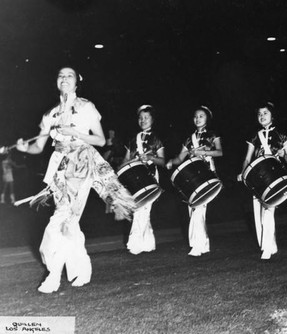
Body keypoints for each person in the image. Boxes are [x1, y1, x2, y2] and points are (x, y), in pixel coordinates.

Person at [16, 67, 135, 293]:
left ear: (77, 81)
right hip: (59, 167)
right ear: (56, 81)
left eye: (69, 75)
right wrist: (25, 148)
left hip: (82, 163)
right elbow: (38, 146)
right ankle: (82, 269)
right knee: (69, 221)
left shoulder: (86, 107)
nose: (64, 79)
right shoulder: (50, 114)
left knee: (61, 219)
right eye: (60, 75)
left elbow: (100, 140)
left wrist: (77, 134)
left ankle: (53, 276)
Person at [239, 102, 287, 260]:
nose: (262, 116)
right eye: (259, 114)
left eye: (265, 113)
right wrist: (243, 173)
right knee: (259, 213)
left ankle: (267, 248)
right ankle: (270, 245)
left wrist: (284, 156)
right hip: (258, 178)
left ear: (272, 115)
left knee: (268, 211)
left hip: (275, 178)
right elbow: (248, 158)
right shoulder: (254, 136)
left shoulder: (281, 135)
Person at [166, 106, 222, 256]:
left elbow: (219, 151)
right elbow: (180, 158)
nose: (198, 119)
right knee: (194, 210)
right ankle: (203, 244)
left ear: (207, 119)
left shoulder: (212, 135)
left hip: (207, 175)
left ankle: (196, 246)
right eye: (196, 116)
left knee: (198, 208)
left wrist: (202, 152)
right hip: (192, 178)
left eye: (201, 116)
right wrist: (171, 161)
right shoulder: (189, 139)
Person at [122, 105, 165, 255]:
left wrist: (150, 157)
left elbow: (163, 161)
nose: (143, 120)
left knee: (142, 208)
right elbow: (125, 160)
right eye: (140, 118)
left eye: (146, 117)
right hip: (134, 177)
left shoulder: (156, 139)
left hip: (150, 176)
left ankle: (134, 244)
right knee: (141, 208)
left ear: (152, 119)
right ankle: (148, 243)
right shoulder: (133, 140)